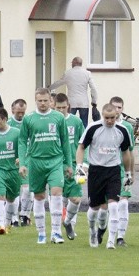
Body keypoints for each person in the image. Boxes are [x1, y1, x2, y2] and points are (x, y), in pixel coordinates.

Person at [18, 88, 72, 244]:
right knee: (39, 197)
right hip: (36, 162)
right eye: (39, 100)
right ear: (36, 100)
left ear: (51, 101)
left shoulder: (58, 118)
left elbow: (65, 141)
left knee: (56, 193)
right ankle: (41, 233)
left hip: (55, 161)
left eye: (45, 100)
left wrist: (68, 163)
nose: (42, 103)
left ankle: (56, 232)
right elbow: (22, 142)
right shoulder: (29, 119)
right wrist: (22, 163)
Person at [76, 103, 133, 249]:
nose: (109, 121)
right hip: (96, 171)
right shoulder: (93, 128)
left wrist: (128, 173)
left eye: (112, 118)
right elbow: (81, 147)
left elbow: (126, 152)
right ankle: (93, 231)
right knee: (94, 208)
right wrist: (79, 167)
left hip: (113, 171)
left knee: (113, 206)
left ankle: (110, 242)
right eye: (107, 118)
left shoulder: (122, 130)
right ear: (102, 115)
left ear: (116, 116)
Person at [54, 93, 85, 241]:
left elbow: (84, 143)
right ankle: (56, 229)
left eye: (63, 107)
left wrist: (84, 164)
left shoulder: (76, 121)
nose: (60, 110)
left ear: (68, 106)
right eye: (58, 107)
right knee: (58, 196)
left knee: (77, 198)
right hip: (56, 163)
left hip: (75, 163)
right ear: (54, 106)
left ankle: (69, 223)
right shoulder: (52, 121)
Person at [109, 96, 135, 247]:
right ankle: (104, 230)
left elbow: (130, 152)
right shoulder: (102, 126)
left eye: (120, 107)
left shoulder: (127, 128)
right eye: (114, 107)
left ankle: (120, 237)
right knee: (108, 205)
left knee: (123, 203)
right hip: (108, 170)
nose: (117, 110)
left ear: (122, 109)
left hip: (122, 171)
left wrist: (130, 173)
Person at [48, 56, 98, 128]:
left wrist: (49, 88)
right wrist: (94, 101)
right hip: (83, 102)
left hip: (71, 102)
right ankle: (83, 138)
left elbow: (59, 83)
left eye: (72, 62)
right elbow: (93, 88)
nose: (71, 64)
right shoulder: (87, 73)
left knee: (69, 122)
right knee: (83, 124)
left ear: (75, 63)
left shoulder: (68, 73)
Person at [8, 99, 30, 227]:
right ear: (12, 110)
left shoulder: (28, 122)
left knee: (28, 190)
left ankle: (25, 215)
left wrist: (25, 157)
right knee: (14, 191)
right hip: (12, 164)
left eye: (23, 112)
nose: (21, 115)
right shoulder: (9, 124)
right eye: (18, 112)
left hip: (27, 162)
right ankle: (13, 218)